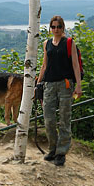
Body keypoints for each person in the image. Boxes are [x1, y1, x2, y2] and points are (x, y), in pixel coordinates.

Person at [37, 15, 83, 166]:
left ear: (63, 28)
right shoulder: (46, 43)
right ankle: (52, 149)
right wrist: (38, 83)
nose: (56, 29)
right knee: (48, 119)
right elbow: (44, 65)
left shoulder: (69, 43)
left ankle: (61, 152)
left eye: (59, 27)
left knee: (64, 119)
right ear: (50, 28)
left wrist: (78, 85)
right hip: (49, 85)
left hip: (65, 84)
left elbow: (76, 65)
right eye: (53, 27)